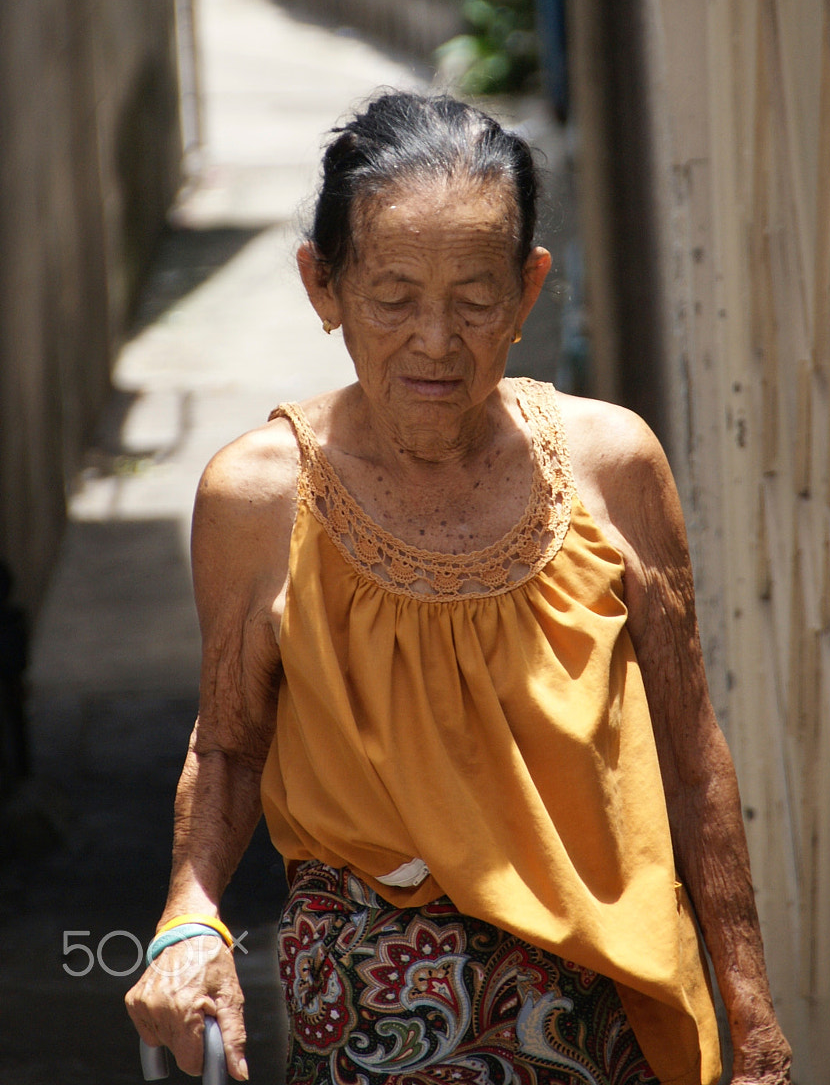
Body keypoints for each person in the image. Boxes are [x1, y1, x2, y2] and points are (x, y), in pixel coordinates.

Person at [126, 92, 790, 1085]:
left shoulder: (612, 464)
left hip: (613, 1007)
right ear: (324, 285)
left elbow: (691, 755)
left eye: (474, 298)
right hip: (373, 1015)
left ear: (527, 293)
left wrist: (754, 1027)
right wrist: (189, 913)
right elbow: (225, 744)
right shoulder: (257, 495)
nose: (435, 339)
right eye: (392, 295)